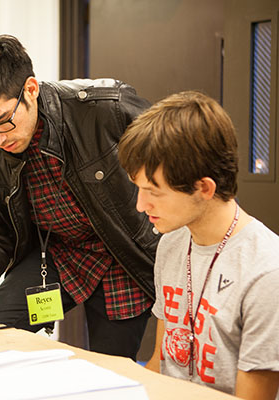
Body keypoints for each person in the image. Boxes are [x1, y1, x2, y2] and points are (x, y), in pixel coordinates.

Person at [0, 33, 160, 360]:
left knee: (111, 372)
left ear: (31, 89)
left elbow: (175, 166)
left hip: (123, 255)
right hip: (59, 256)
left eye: (2, 123)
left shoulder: (105, 108)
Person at [118, 90, 279, 398]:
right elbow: (162, 363)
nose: (140, 205)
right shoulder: (172, 244)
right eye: (138, 189)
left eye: (154, 191)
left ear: (204, 187)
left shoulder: (267, 272)